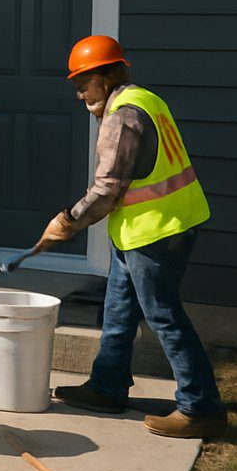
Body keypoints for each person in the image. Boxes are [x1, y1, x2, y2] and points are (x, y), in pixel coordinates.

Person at [42, 35, 226, 438]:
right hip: (151, 227)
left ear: (105, 79)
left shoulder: (123, 116)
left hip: (158, 231)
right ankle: (107, 386)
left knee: (163, 315)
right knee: (119, 309)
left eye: (82, 85)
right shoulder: (146, 98)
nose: (79, 95)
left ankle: (201, 406)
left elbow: (108, 188)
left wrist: (69, 221)